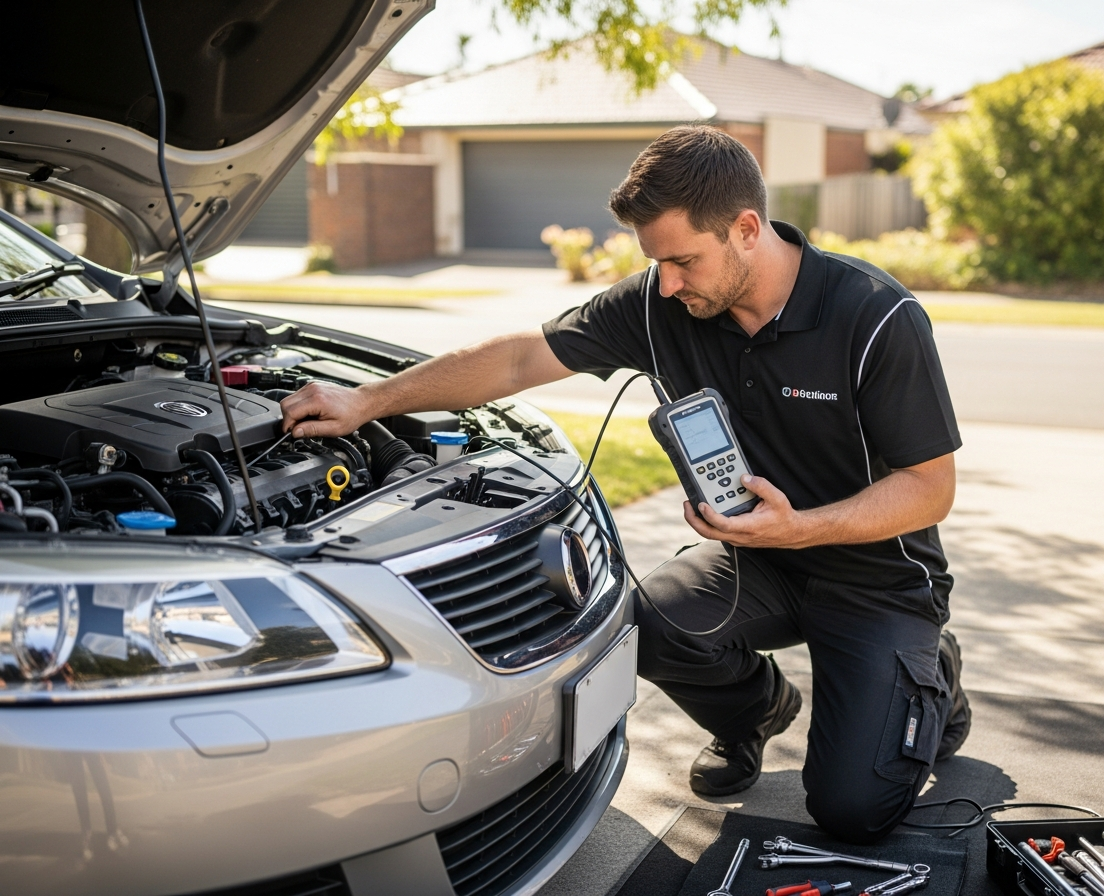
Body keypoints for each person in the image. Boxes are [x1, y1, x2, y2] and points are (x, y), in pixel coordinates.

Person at [279, 125, 969, 844]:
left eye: (682, 260)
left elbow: (928, 488)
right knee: (639, 618)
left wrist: (802, 527)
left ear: (745, 229)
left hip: (877, 577)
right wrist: (366, 401)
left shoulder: (876, 317)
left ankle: (931, 671)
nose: (667, 283)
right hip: (758, 561)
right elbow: (518, 362)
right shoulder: (659, 301)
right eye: (657, 263)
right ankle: (754, 715)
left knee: (852, 810)